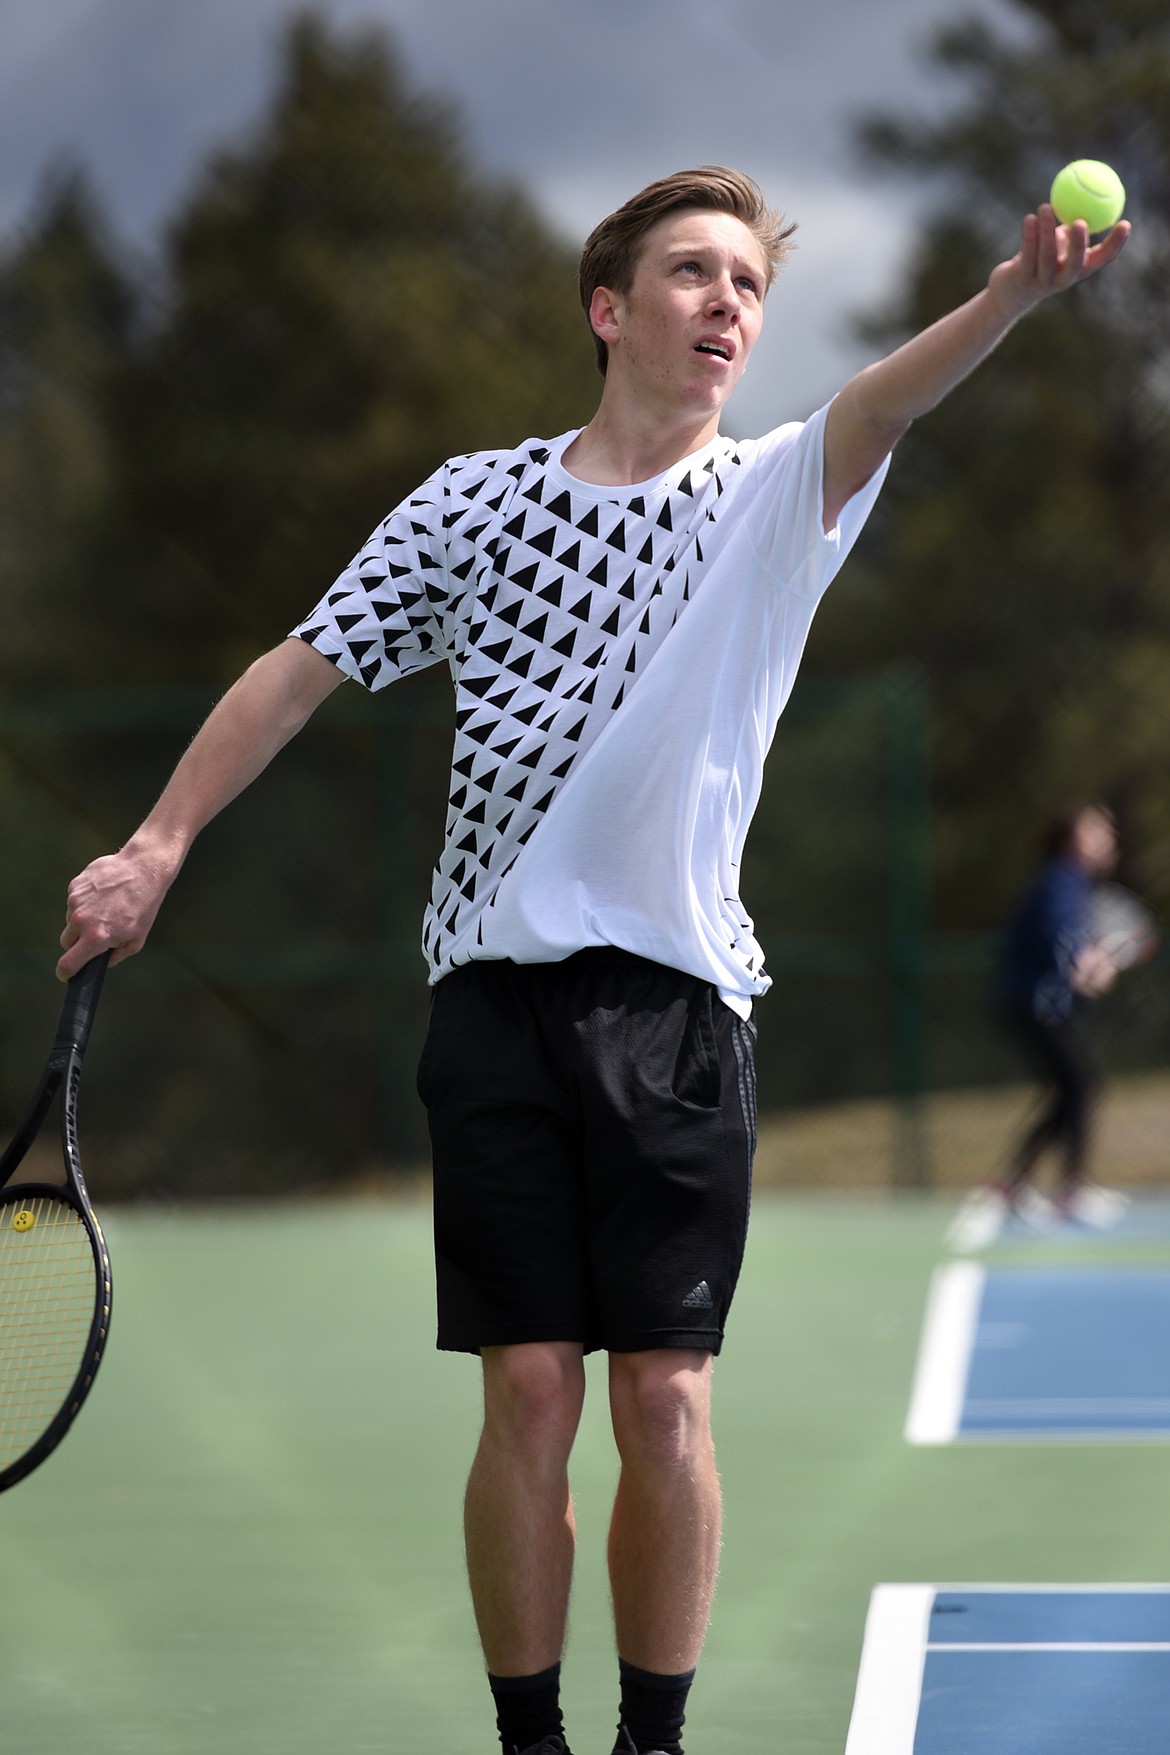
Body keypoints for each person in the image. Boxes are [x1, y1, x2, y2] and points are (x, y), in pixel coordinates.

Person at [56, 167, 1129, 1755]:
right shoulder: (471, 502)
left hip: (678, 1011)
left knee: (664, 1402)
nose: (726, 304)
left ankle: (652, 1738)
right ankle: (530, 1741)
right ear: (606, 307)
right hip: (491, 1004)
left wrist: (1010, 300)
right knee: (530, 1396)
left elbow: (886, 404)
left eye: (748, 286)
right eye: (690, 273)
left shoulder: (774, 496)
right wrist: (157, 844)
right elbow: (299, 668)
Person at [993, 802, 1128, 1225]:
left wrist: (1088, 964)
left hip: (1035, 1003)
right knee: (1079, 1085)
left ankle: (1015, 1183)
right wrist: (1086, 963)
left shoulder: (1071, 882)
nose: (1107, 839)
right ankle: (1067, 1190)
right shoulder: (1062, 879)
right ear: (1073, 840)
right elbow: (1059, 935)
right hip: (1037, 1004)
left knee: (1070, 1089)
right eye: (1097, 832)